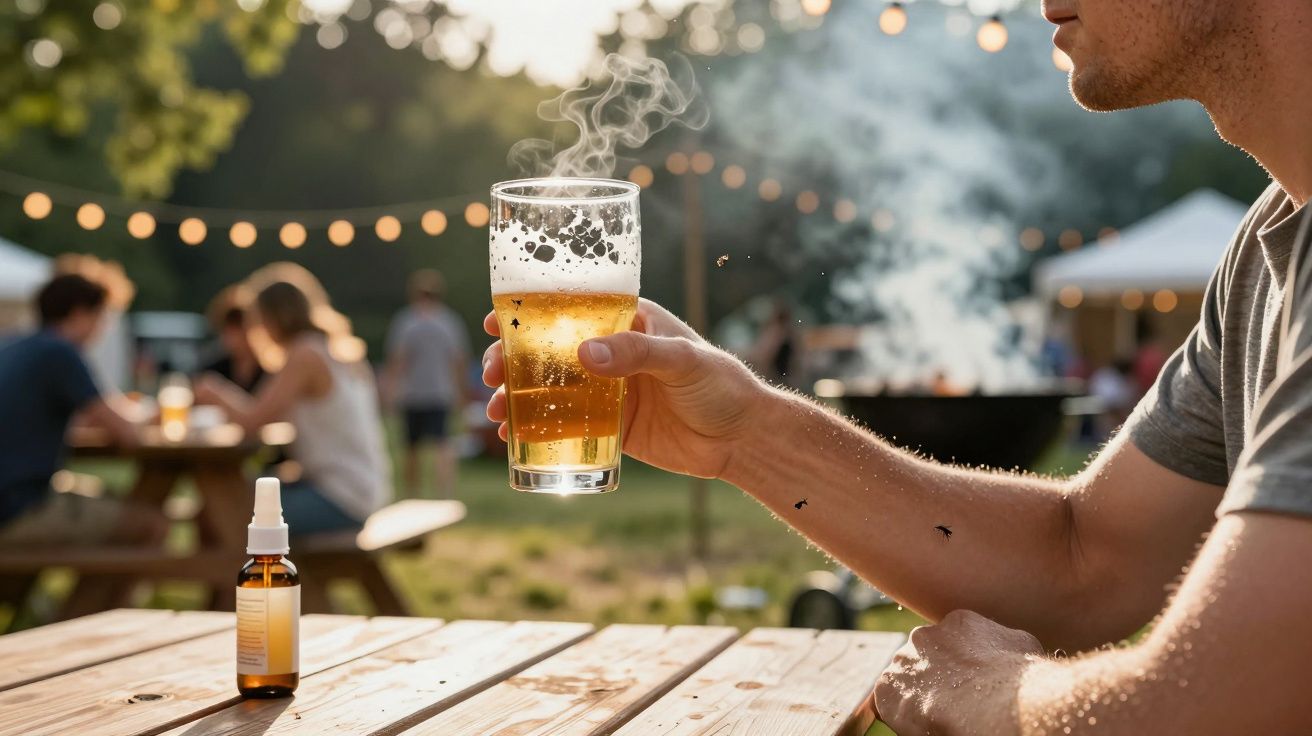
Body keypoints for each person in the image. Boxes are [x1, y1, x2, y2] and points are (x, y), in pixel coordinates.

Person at [481, 1, 1312, 731]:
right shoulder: (1269, 248)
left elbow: (1222, 707)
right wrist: (742, 433)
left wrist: (995, 694)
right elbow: (1082, 561)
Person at [197, 279, 389, 535]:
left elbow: (252, 422)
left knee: (228, 510)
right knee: (221, 506)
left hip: (343, 497)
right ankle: (236, 574)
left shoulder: (305, 355)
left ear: (270, 319)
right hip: (360, 488)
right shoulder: (331, 349)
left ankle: (247, 576)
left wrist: (215, 392)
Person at [0, 274, 162, 547]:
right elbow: (126, 433)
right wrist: (154, 416)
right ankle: (87, 593)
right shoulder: (60, 353)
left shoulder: (15, 346)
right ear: (79, 313)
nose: (101, 329)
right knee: (152, 526)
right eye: (100, 318)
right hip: (15, 508)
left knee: (100, 495)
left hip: (11, 498)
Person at [383, 270, 469, 499]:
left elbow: (397, 361)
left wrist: (390, 392)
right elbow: (458, 361)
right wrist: (461, 393)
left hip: (412, 394)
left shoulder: (406, 321)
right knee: (443, 445)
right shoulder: (449, 322)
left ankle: (413, 494)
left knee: (411, 448)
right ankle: (445, 494)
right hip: (441, 394)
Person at [201, 287, 265, 393]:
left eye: (237, 329)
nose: (231, 337)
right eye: (227, 330)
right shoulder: (215, 369)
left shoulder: (270, 370)